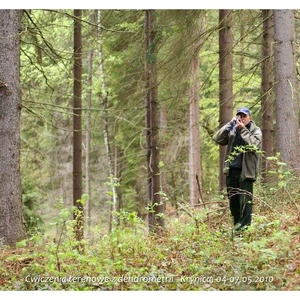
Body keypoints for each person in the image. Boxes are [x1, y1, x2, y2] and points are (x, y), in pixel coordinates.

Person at [214, 107, 262, 232]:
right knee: (234, 204)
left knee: (246, 204)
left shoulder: (255, 130)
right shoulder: (233, 130)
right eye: (239, 116)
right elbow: (218, 139)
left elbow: (254, 145)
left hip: (246, 173)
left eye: (244, 116)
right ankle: (236, 231)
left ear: (249, 117)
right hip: (231, 172)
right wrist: (230, 124)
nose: (242, 119)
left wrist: (243, 130)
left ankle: (244, 231)